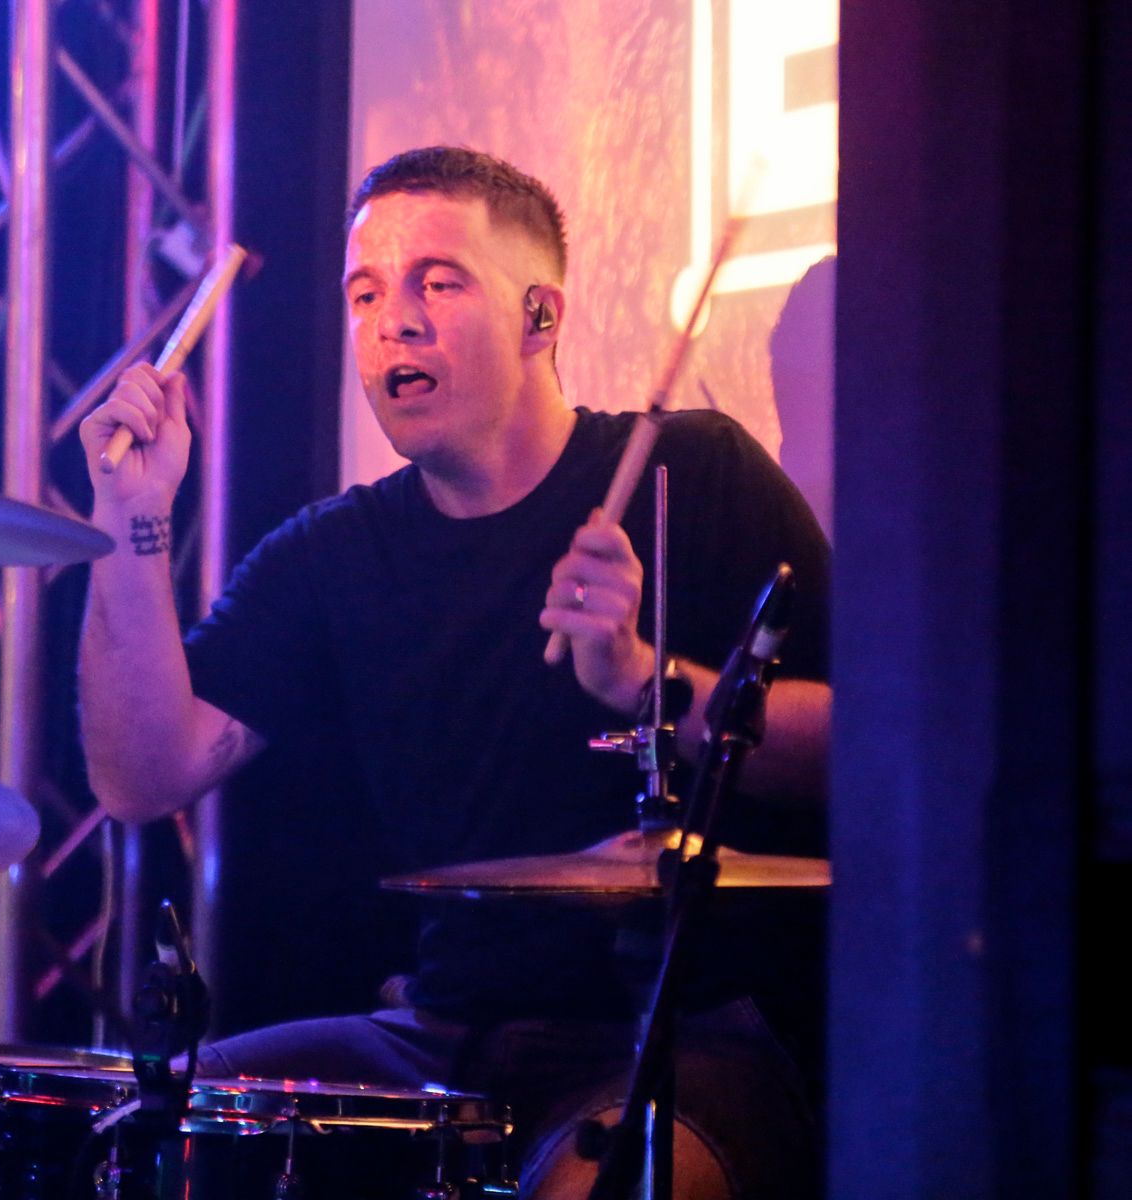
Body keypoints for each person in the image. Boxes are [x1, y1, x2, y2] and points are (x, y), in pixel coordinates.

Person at [78, 147, 832, 1199]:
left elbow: (867, 752)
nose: (394, 321)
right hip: (438, 1037)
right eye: (366, 293)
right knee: (130, 1140)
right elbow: (140, 775)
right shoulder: (333, 554)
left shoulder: (695, 474)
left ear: (540, 317)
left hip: (691, 1035)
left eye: (437, 283)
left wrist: (641, 678)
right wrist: (131, 517)